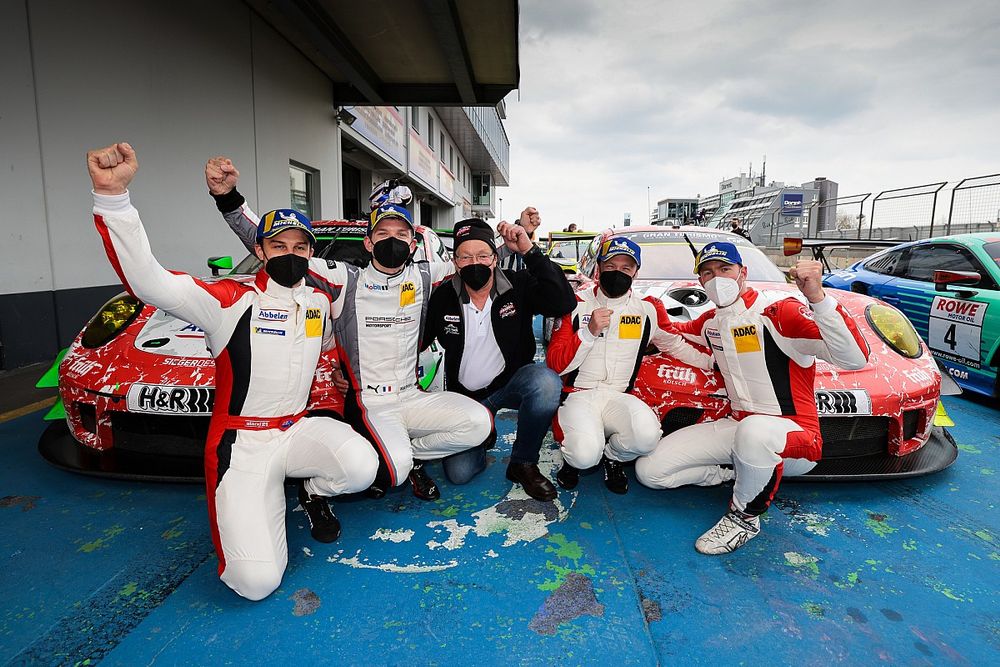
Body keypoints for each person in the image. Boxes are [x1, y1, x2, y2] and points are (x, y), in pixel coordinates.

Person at [89, 143, 378, 601]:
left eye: (300, 246)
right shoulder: (228, 299)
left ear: (310, 252)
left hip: (297, 430)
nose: (290, 253)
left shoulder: (318, 301)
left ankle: (308, 490)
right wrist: (113, 200)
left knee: (362, 466)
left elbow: (324, 353)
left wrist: (336, 379)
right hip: (242, 446)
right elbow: (148, 280)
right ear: (260, 250)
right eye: (278, 245)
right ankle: (257, 512)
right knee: (255, 583)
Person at [205, 158, 492, 502]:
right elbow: (275, 244)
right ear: (368, 243)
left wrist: (519, 243)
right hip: (371, 401)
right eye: (382, 234)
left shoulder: (428, 275)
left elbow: (476, 259)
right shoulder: (344, 279)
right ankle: (368, 468)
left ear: (413, 244)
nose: (393, 241)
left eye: (402, 235)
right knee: (393, 473)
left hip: (413, 394)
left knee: (480, 423)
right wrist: (229, 200)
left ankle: (411, 450)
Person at [635, 242, 869, 554]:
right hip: (737, 426)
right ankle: (735, 473)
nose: (716, 277)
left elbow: (853, 359)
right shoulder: (711, 322)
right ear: (700, 282)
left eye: (724, 269)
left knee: (754, 432)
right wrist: (646, 312)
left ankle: (745, 517)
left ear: (742, 272)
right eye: (707, 273)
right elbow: (675, 333)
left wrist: (818, 297)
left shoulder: (779, 312)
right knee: (650, 471)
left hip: (795, 435)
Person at [423, 218, 576, 500]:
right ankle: (482, 431)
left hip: (508, 386)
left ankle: (523, 462)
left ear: (495, 258)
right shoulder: (443, 296)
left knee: (545, 383)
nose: (475, 262)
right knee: (459, 474)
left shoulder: (517, 285)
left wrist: (530, 252)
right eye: (466, 256)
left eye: (482, 255)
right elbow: (417, 342)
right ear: (455, 262)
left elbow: (563, 302)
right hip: (464, 399)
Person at [546, 236, 711, 494]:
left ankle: (613, 457)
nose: (618, 273)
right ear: (598, 267)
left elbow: (674, 344)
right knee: (584, 455)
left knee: (647, 437)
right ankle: (574, 460)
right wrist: (587, 333)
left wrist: (712, 362)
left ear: (636, 271)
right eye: (611, 266)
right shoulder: (575, 303)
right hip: (578, 396)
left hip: (619, 396)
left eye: (626, 268)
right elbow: (556, 364)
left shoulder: (648, 308)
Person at [498, 207, 541, 271]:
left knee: (517, 261)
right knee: (518, 261)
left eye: (483, 256)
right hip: (516, 249)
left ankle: (518, 269)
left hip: (517, 248)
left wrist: (529, 250)